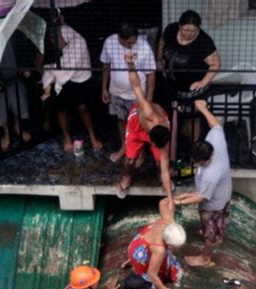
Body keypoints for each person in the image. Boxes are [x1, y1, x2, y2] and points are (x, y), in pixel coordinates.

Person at [174, 99, 232, 267]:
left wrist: (179, 201)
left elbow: (202, 197)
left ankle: (205, 257)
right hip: (223, 193)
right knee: (217, 225)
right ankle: (215, 234)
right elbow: (216, 126)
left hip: (214, 204)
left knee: (212, 235)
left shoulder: (211, 174)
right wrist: (202, 109)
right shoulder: (215, 140)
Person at [117, 52, 173, 205]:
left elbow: (166, 169)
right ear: (150, 134)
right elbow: (136, 86)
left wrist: (170, 199)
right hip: (136, 126)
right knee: (130, 159)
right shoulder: (148, 112)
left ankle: (160, 179)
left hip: (156, 133)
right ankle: (128, 176)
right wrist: (130, 64)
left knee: (161, 163)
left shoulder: (164, 134)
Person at [157, 10, 220, 142]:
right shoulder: (171, 29)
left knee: (193, 117)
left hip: (191, 90)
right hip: (172, 84)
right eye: (185, 30)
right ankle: (179, 137)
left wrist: (203, 82)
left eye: (193, 30)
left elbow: (215, 64)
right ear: (179, 26)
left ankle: (194, 144)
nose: (189, 33)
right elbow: (162, 40)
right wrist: (159, 59)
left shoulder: (204, 42)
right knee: (175, 113)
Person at [41, 20, 102, 152]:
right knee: (61, 109)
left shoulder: (78, 43)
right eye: (51, 39)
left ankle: (92, 136)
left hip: (78, 80)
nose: (53, 41)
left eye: (56, 38)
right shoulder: (53, 45)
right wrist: (48, 78)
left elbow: (64, 67)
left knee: (82, 108)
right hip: (64, 81)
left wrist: (49, 76)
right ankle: (67, 137)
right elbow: (53, 66)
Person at [101, 21, 156, 163]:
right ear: (120, 38)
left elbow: (151, 74)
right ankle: (125, 147)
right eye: (128, 43)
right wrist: (104, 88)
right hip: (116, 92)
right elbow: (106, 66)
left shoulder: (144, 47)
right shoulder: (110, 42)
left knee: (139, 124)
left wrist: (148, 99)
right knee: (121, 121)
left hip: (136, 95)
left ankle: (141, 152)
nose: (132, 45)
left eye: (134, 41)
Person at [127, 198, 186, 289]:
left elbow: (163, 202)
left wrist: (182, 198)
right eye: (175, 246)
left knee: (165, 259)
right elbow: (152, 274)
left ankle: (132, 261)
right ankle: (137, 263)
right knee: (153, 285)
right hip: (140, 253)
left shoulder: (169, 222)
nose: (178, 248)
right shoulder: (159, 250)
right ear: (167, 242)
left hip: (136, 244)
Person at [0, 33, 32, 151]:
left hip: (15, 76)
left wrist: (26, 67)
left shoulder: (15, 34)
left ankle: (17, 125)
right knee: (0, 108)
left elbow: (24, 51)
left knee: (18, 102)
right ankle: (6, 132)